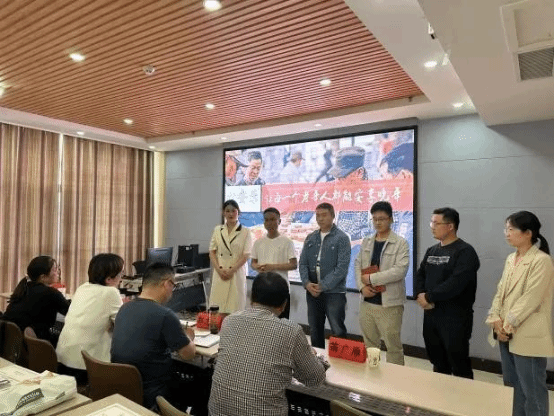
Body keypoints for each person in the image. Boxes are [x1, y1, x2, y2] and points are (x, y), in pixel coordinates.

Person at [208, 272, 327, 416]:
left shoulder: (229, 321)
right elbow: (315, 379)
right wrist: (314, 357)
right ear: (284, 305)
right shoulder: (291, 331)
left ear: (251, 298)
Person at [486, 211, 554, 416]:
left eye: (511, 229)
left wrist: (507, 325)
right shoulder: (511, 259)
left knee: (532, 390)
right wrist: (495, 319)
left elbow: (530, 299)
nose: (506, 233)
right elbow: (501, 292)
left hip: (525, 332)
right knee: (513, 386)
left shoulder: (541, 260)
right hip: (505, 332)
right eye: (505, 229)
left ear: (528, 233)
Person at [111, 263, 195, 410]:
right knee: (202, 381)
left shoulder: (124, 308)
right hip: (154, 392)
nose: (172, 291)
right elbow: (188, 354)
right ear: (167, 284)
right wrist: (188, 336)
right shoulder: (165, 315)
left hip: (123, 388)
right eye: (173, 286)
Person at [415, 207, 480, 378]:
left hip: (455, 317)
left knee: (458, 363)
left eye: (436, 223)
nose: (432, 227)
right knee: (437, 361)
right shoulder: (432, 250)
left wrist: (429, 296)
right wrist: (420, 294)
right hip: (431, 315)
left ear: (450, 226)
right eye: (431, 222)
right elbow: (420, 274)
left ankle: (463, 394)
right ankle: (440, 393)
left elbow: (456, 283)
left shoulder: (465, 252)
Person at [56, 253, 124, 384]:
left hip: (63, 359)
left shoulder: (83, 287)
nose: (121, 278)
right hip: (86, 367)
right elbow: (123, 326)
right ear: (109, 279)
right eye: (121, 274)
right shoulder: (111, 292)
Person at [355, 201, 409, 365]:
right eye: (375, 219)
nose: (378, 222)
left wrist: (372, 279)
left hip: (390, 304)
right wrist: (362, 287)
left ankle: (395, 378)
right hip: (367, 302)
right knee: (370, 345)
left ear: (391, 219)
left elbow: (400, 270)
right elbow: (358, 265)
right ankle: (373, 372)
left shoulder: (400, 243)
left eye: (382, 219)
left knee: (393, 346)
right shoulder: (367, 241)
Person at [299, 202, 351, 348]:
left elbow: (341, 268)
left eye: (324, 215)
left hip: (334, 292)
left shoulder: (342, 238)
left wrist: (323, 285)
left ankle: (341, 361)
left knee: (337, 329)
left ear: (333, 216)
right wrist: (307, 283)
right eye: (317, 215)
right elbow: (302, 263)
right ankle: (318, 360)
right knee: (315, 329)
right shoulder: (310, 237)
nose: (320, 219)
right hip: (312, 290)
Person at [3, 256, 69, 344]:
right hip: (40, 343)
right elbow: (68, 310)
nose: (58, 272)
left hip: (12, 342)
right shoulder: (50, 293)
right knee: (62, 319)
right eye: (54, 269)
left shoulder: (24, 288)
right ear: (43, 277)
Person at [251, 207, 297, 318]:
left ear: (279, 221)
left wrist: (272, 267)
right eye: (266, 220)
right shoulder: (258, 242)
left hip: (280, 288)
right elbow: (253, 263)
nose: (269, 223)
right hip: (262, 288)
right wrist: (258, 267)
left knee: (281, 321)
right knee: (261, 321)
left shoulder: (287, 242)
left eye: (272, 219)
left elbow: (293, 264)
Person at [209, 199, 252, 314]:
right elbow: (212, 251)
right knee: (217, 309)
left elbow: (246, 255)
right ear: (223, 213)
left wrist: (231, 270)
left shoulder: (245, 231)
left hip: (236, 273)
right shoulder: (218, 230)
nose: (231, 214)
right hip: (220, 273)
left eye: (233, 211)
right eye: (227, 211)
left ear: (238, 212)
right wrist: (219, 270)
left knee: (235, 309)